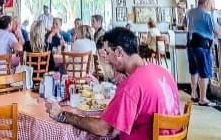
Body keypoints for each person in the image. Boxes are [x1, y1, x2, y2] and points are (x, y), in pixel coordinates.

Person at [47, 27, 180, 139]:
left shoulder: (132, 84)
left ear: (119, 51)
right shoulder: (163, 72)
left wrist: (63, 115)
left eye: (108, 52)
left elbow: (101, 129)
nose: (106, 58)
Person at [184, 0, 221, 106]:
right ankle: (203, 98)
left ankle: (194, 94)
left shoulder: (189, 12)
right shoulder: (207, 15)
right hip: (202, 45)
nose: (211, 5)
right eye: (210, 3)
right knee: (204, 71)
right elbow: (217, 32)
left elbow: (184, 26)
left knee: (194, 70)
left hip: (190, 44)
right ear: (206, 3)